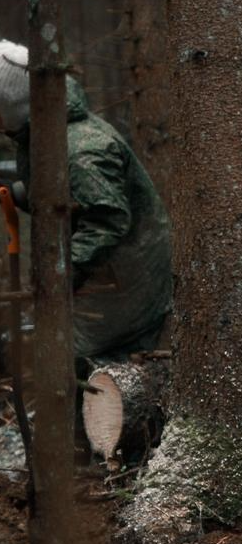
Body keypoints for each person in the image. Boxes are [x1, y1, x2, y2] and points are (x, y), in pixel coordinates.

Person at [0, 41, 172, 364]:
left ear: (13, 103)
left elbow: (107, 220)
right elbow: (62, 196)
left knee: (51, 358)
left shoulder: (82, 149)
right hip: (107, 273)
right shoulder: (46, 130)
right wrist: (20, 194)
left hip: (130, 282)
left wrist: (60, 272)